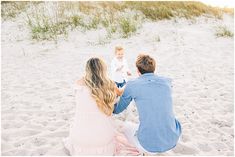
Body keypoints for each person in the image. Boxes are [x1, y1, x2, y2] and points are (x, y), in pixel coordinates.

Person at [113, 54, 182, 154]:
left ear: (137, 70)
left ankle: (142, 152)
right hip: (173, 139)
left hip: (148, 146)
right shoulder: (167, 82)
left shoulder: (132, 85)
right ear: (154, 68)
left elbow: (118, 109)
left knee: (125, 126)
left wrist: (108, 106)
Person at [64, 57, 123, 155]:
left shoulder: (78, 84)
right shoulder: (109, 84)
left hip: (80, 139)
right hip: (103, 140)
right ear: (103, 69)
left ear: (87, 70)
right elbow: (119, 95)